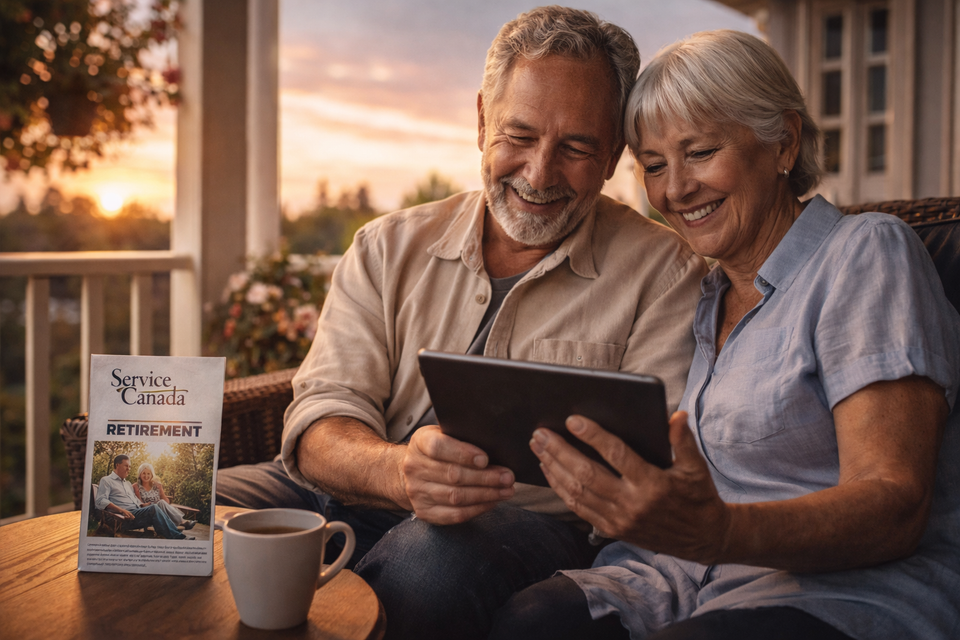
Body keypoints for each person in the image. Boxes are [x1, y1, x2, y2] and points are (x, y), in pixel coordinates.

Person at [216, 6, 707, 639]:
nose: (538, 173)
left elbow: (646, 478)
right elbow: (318, 422)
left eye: (577, 147)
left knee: (426, 565)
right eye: (519, 136)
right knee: (175, 510)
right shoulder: (386, 246)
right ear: (481, 122)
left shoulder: (665, 273)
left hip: (523, 529)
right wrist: (399, 472)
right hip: (347, 495)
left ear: (614, 153)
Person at [489, 29, 960, 640]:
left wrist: (722, 532)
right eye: (654, 167)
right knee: (530, 623)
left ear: (784, 142)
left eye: (702, 152)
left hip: (841, 592)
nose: (675, 190)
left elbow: (895, 503)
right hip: (676, 579)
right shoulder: (705, 293)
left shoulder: (865, 253)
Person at [95, 455, 195, 540]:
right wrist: (121, 510)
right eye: (126, 466)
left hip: (136, 514)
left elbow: (135, 500)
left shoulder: (127, 483)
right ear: (117, 465)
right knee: (154, 509)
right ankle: (179, 537)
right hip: (124, 518)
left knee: (158, 505)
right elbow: (100, 501)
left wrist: (143, 504)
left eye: (130, 467)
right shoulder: (107, 480)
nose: (129, 469)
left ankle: (174, 531)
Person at [133, 462, 196, 530]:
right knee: (160, 503)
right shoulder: (136, 486)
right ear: (140, 474)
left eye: (148, 473)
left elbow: (166, 501)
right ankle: (182, 522)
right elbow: (140, 505)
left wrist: (160, 490)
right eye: (144, 473)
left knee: (161, 503)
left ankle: (180, 523)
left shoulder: (156, 485)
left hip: (161, 510)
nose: (146, 476)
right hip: (148, 511)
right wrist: (153, 503)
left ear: (151, 475)